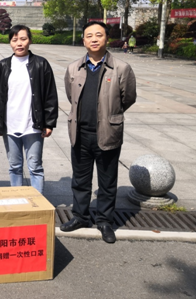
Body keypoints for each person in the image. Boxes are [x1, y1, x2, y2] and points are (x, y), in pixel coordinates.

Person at [61, 21, 136, 244]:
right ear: (83, 40)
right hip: (80, 133)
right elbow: (71, 96)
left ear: (106, 39)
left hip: (107, 133)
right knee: (80, 180)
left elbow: (128, 98)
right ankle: (80, 216)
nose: (94, 39)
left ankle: (104, 221)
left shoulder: (121, 68)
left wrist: (110, 115)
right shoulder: (73, 68)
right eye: (89, 36)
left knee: (107, 181)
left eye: (99, 35)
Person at [0, 25, 59, 195]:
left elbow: (50, 95)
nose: (19, 43)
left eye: (23, 39)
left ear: (30, 41)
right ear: (10, 43)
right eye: (15, 40)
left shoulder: (41, 64)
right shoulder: (3, 65)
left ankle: (37, 203)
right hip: (10, 125)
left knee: (35, 166)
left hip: (33, 126)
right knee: (14, 166)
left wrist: (49, 123)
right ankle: (18, 201)